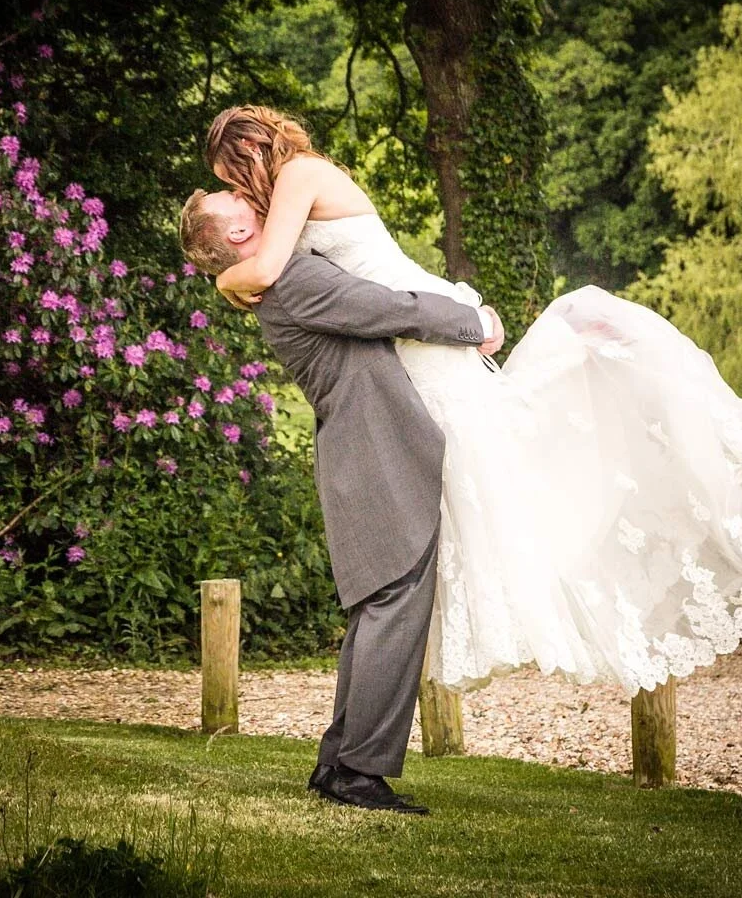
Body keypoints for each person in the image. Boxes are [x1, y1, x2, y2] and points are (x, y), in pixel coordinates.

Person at [191, 104, 742, 698]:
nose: (240, 193)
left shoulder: (298, 173)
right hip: (404, 332)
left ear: (247, 151)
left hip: (418, 320)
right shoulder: (291, 193)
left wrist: (220, 280)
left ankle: (581, 346)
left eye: (231, 180)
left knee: (502, 445)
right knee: (484, 460)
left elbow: (267, 267)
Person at [180, 187, 503, 814]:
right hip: (374, 447)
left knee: (382, 602)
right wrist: (476, 324)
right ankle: (358, 771)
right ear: (241, 237)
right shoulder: (292, 280)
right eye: (238, 201)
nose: (254, 197)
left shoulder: (278, 276)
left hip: (362, 448)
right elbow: (388, 308)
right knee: (395, 602)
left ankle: (340, 763)